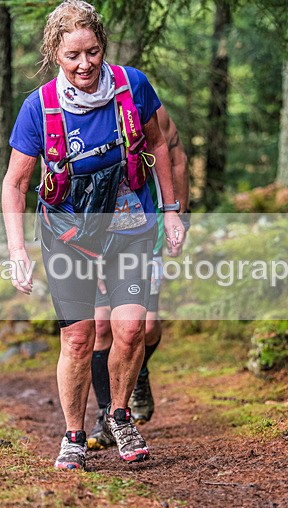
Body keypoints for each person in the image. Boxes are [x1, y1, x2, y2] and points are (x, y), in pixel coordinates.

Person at [1, 0, 184, 470]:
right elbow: (15, 183)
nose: (85, 64)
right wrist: (17, 250)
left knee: (129, 328)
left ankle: (119, 417)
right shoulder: (38, 108)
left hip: (130, 225)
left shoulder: (132, 85)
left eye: (93, 52)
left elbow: (160, 143)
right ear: (54, 55)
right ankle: (73, 437)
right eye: (73, 55)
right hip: (68, 235)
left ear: (103, 47)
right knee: (79, 339)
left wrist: (172, 210)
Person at [88, 106, 190, 450]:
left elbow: (177, 161)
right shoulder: (78, 117)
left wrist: (179, 217)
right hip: (96, 227)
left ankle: (139, 373)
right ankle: (108, 416)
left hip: (147, 226)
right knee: (101, 325)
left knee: (144, 327)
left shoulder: (150, 113)